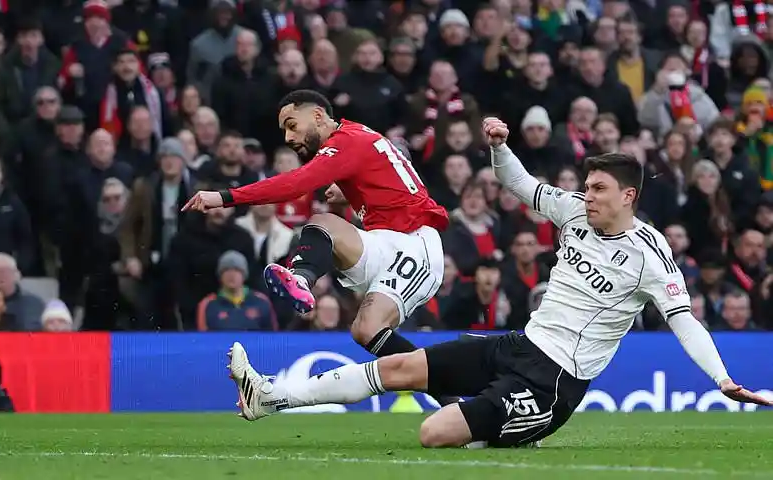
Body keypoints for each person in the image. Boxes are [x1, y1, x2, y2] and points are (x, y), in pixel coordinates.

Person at [225, 117, 772, 449]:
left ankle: (506, 427)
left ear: (628, 195)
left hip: (553, 384)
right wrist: (498, 145)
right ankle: (271, 396)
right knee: (396, 368)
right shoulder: (574, 212)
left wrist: (722, 379)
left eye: (600, 188)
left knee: (431, 433)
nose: (589, 195)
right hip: (519, 346)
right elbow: (518, 183)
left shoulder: (650, 253)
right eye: (587, 185)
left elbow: (685, 322)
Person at [183, 89, 449, 375]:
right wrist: (350, 189)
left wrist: (225, 197)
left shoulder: (346, 141)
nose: (288, 138)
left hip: (415, 245)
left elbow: (296, 184)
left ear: (318, 116)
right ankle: (451, 391)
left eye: (292, 125)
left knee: (323, 223)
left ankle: (301, 279)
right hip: (388, 243)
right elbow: (392, 176)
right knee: (365, 331)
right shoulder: (357, 137)